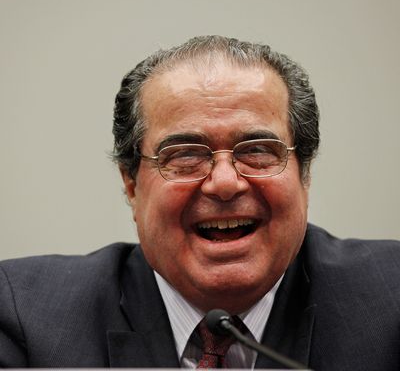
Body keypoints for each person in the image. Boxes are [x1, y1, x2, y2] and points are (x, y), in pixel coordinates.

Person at [0, 36, 399, 370]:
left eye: (258, 150)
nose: (224, 184)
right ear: (131, 184)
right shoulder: (25, 316)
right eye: (185, 155)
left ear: (304, 174)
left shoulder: (390, 301)